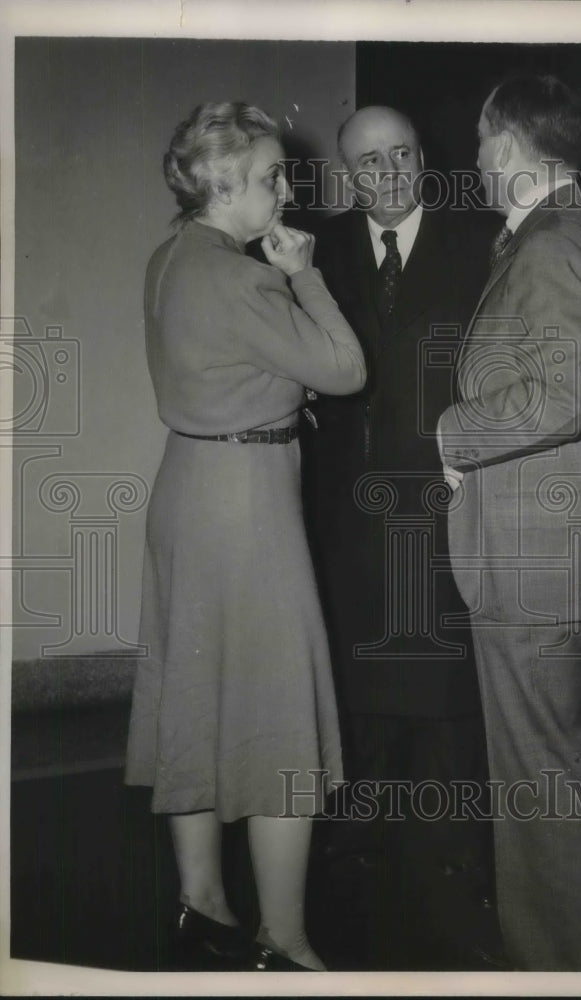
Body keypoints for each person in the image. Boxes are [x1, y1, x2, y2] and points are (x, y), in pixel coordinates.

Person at [124, 101, 366, 973]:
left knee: (194, 698)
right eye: (271, 175)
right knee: (278, 712)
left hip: (186, 485)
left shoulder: (170, 260)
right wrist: (304, 276)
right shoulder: (246, 277)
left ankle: (202, 903)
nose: (285, 188)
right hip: (246, 500)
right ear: (223, 183)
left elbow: (227, 365)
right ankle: (286, 937)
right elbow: (345, 370)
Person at [436, 74, 581, 970]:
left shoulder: (552, 245)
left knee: (541, 796)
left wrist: (452, 433)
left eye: (484, 145)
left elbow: (560, 401)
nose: (479, 164)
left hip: (538, 569)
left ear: (509, 145)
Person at [304, 105, 501, 966]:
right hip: (347, 505)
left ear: (424, 158)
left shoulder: (483, 242)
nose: (386, 173)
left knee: (449, 680)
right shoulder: (317, 249)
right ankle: (359, 846)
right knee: (358, 676)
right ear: (347, 174)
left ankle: (465, 860)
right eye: (367, 162)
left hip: (445, 495)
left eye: (401, 155)